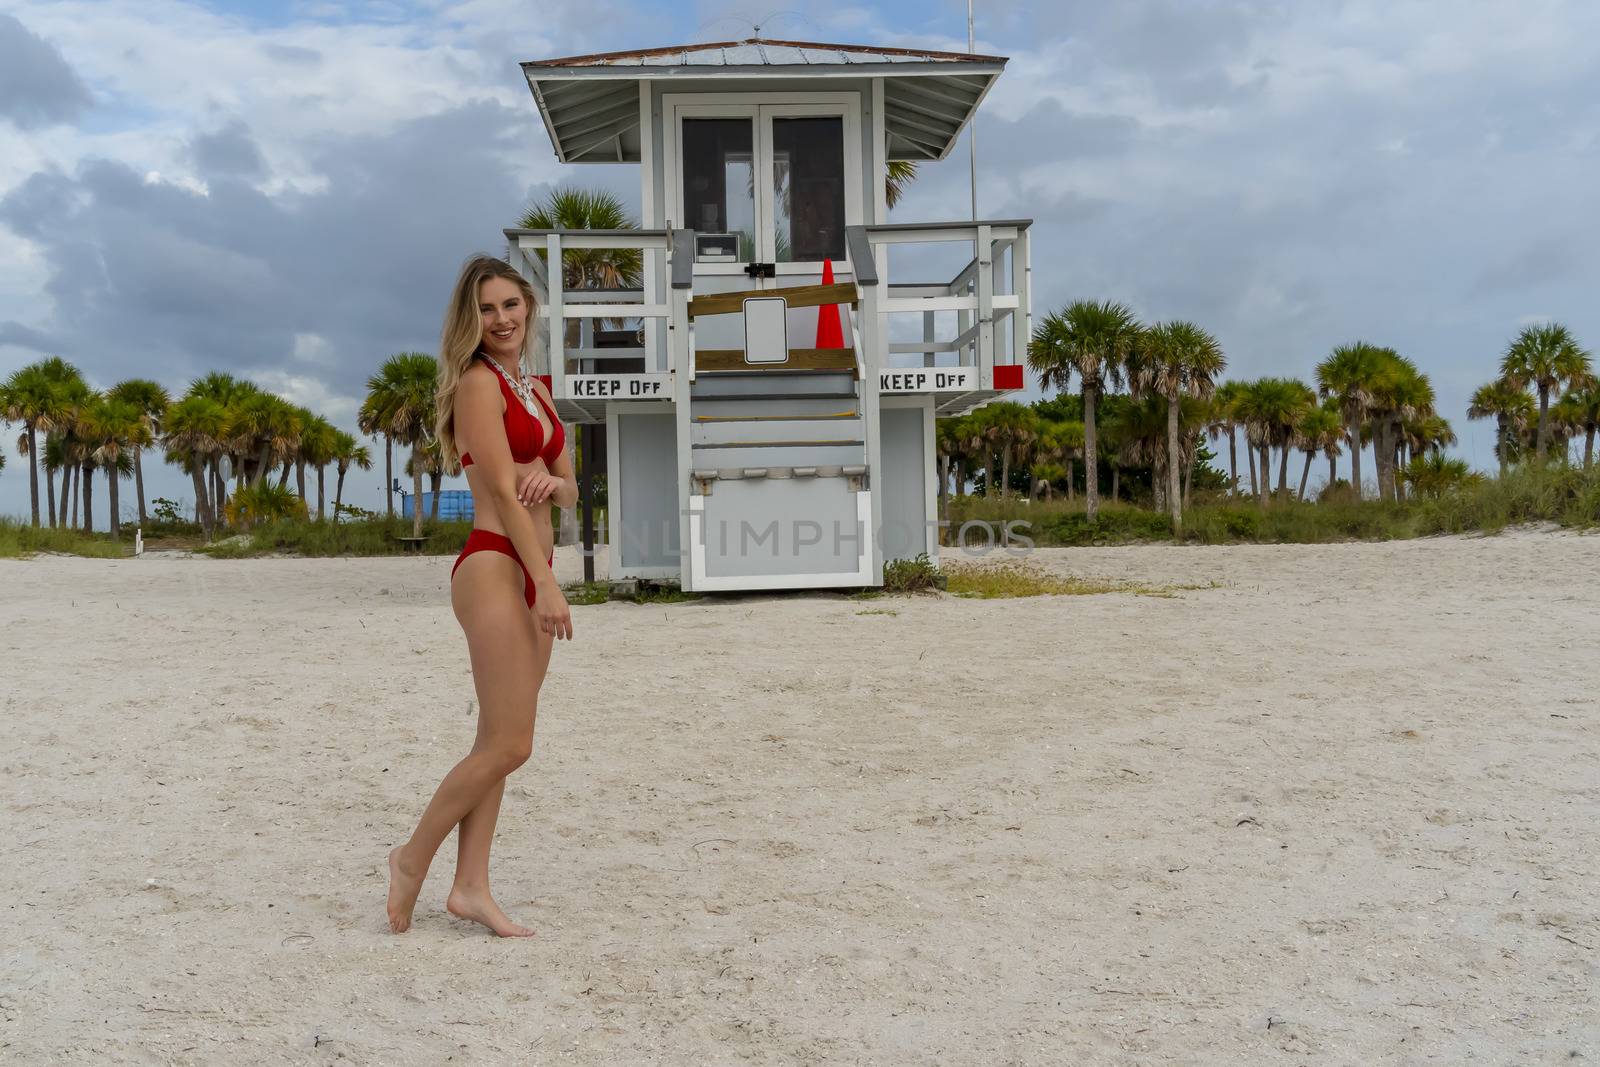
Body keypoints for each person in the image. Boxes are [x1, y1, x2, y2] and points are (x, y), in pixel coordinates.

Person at [385, 254, 575, 937]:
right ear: (472, 320)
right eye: (486, 309)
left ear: (529, 308)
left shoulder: (540, 390)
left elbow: (569, 482)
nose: (501, 319)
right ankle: (411, 858)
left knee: (496, 737)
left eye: (510, 305)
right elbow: (497, 489)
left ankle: (471, 886)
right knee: (512, 744)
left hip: (536, 562)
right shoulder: (476, 384)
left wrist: (555, 487)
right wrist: (545, 581)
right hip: (498, 563)